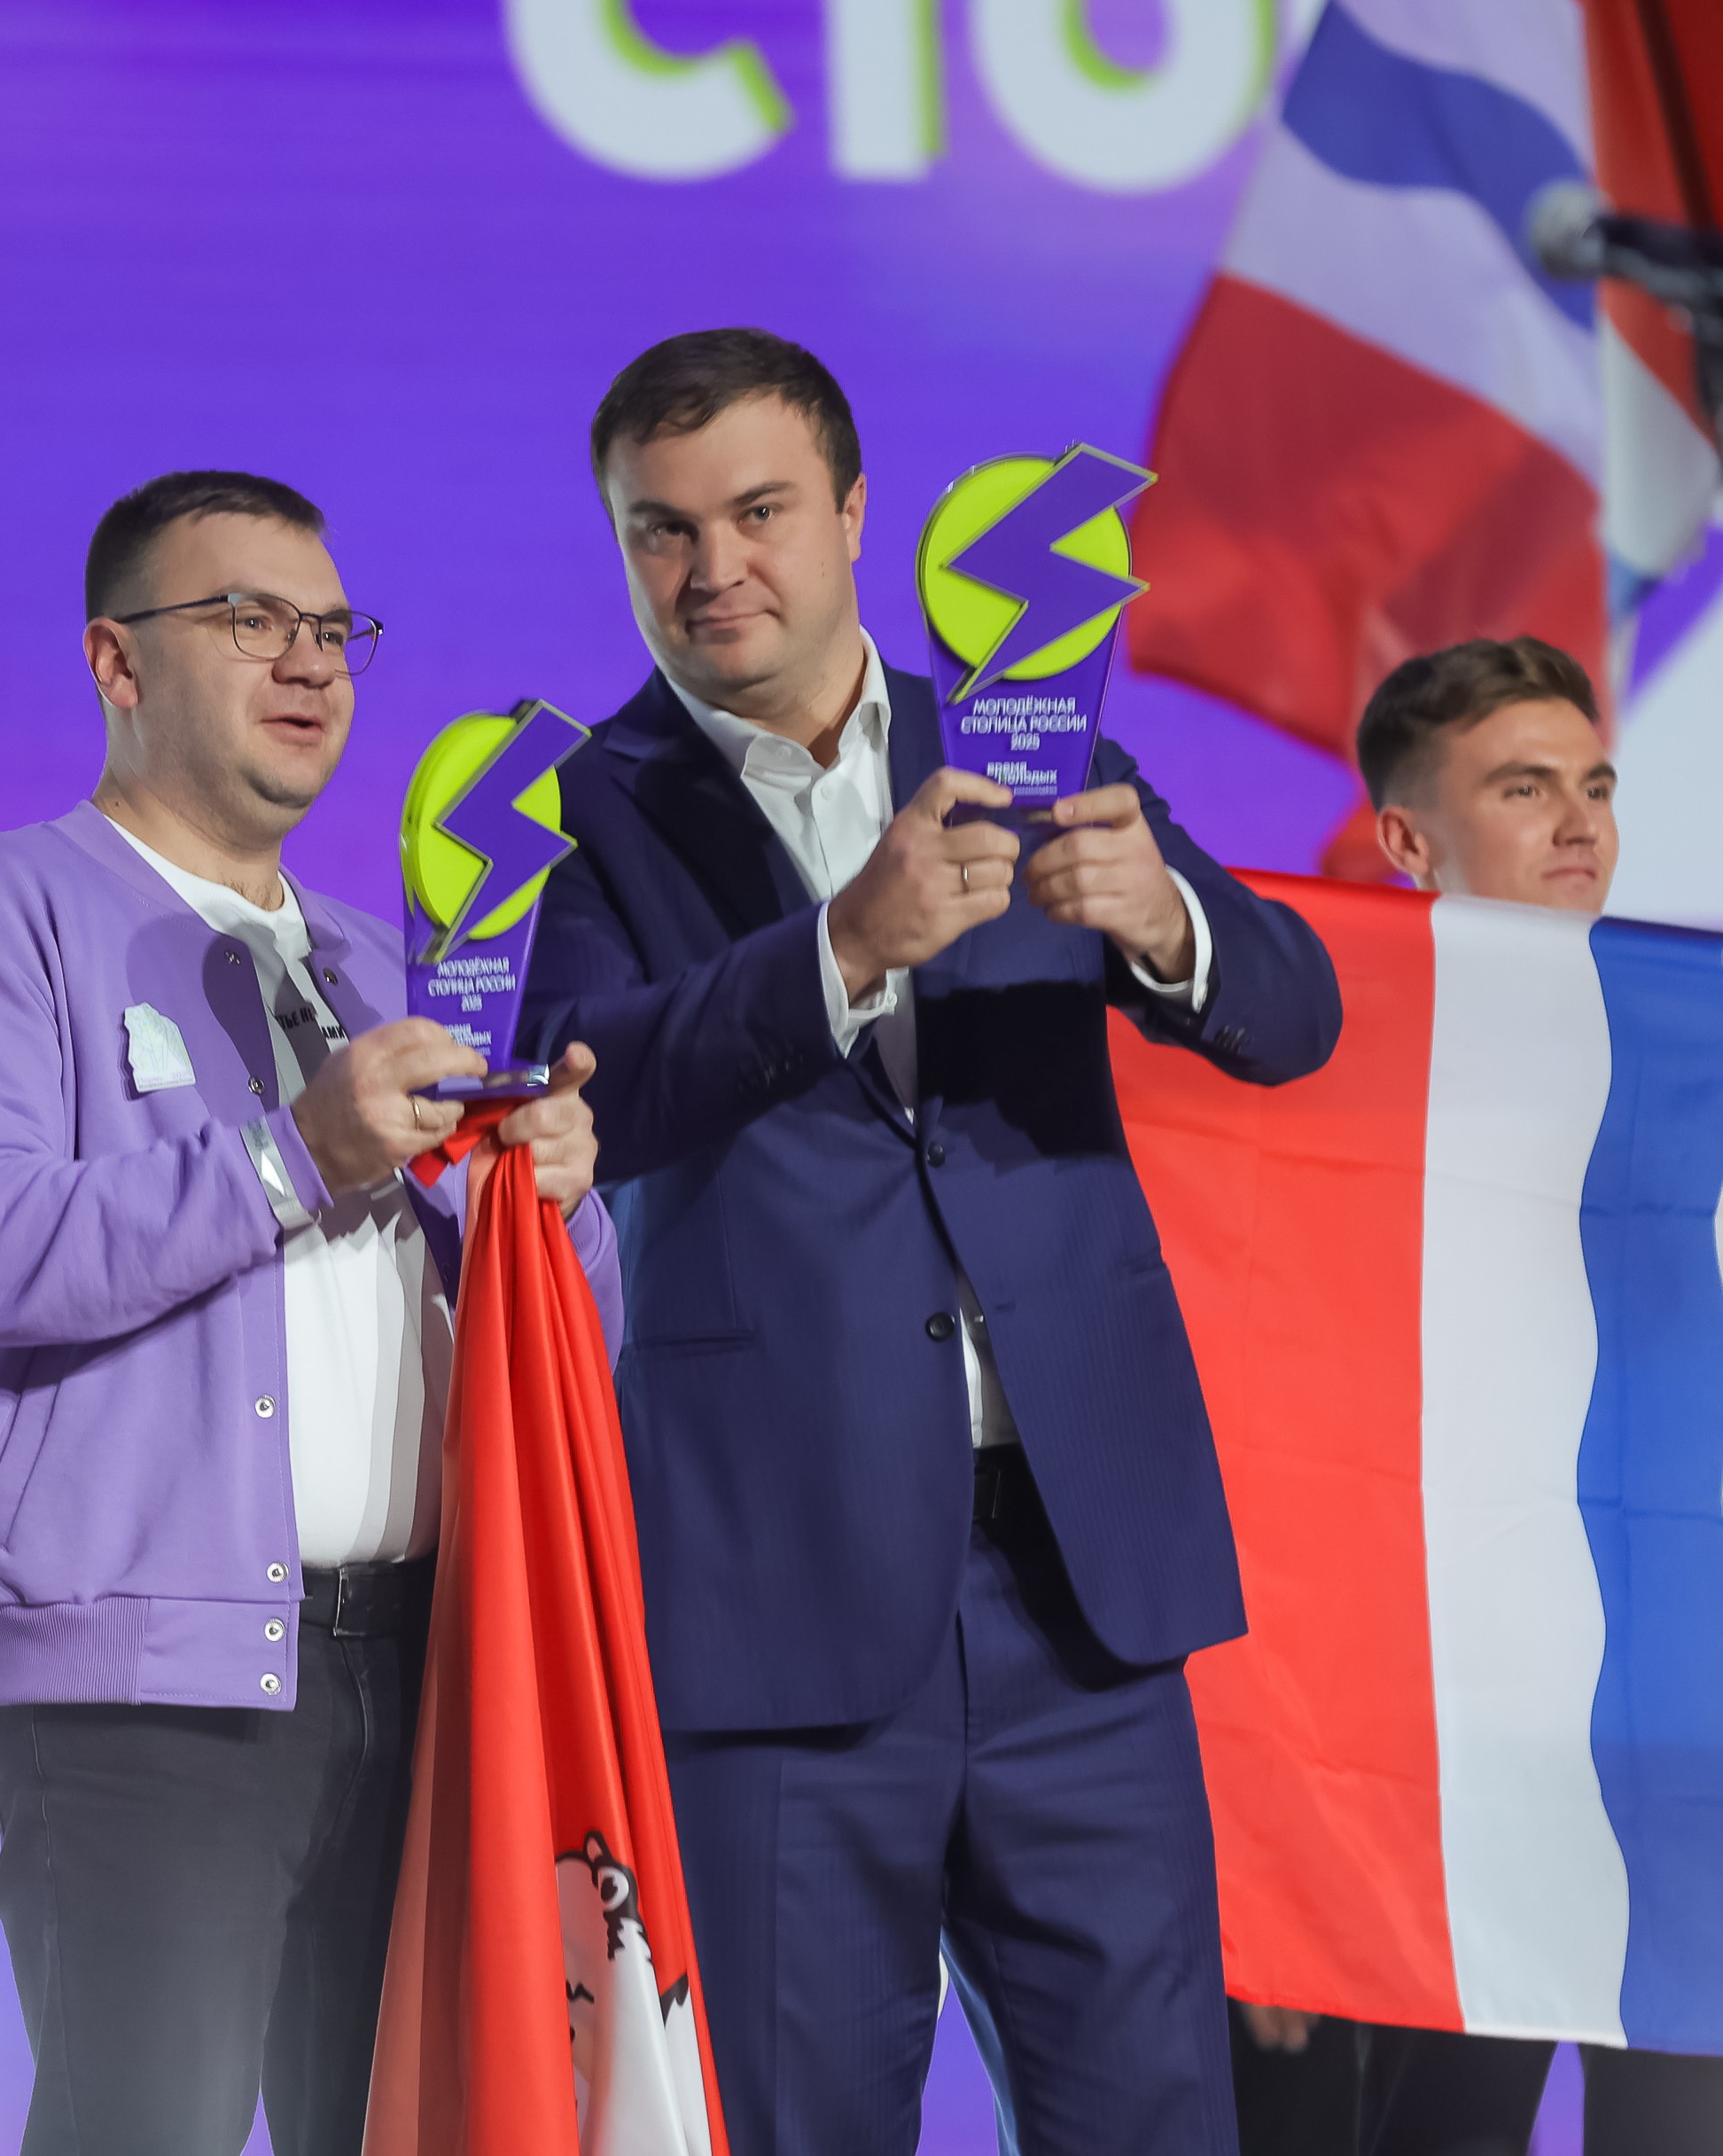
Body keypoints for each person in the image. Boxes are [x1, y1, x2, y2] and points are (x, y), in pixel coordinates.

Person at [515, 327, 1344, 2156]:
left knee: (1154, 2127)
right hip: (780, 1596)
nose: (713, 567)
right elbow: (585, 1087)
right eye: (662, 530)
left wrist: (1171, 923)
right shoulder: (579, 810)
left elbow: (1297, 1016)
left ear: (853, 512)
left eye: (757, 512)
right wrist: (840, 949)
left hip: (1080, 1582)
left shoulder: (1030, 735)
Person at [0, 470, 620, 2156]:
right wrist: (296, 1155)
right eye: (250, 619)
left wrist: (561, 1207)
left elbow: (555, 1345)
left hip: (423, 1670)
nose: (310, 661)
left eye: (332, 627)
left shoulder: (374, 963)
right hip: (150, 1703)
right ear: (116, 662)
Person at [1350, 633, 1723, 2156]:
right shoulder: (1343, 1067)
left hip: (1694, 1741)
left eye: (1594, 786)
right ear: (1409, 840)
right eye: (1524, 789)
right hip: (1455, 1759)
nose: (1579, 823)